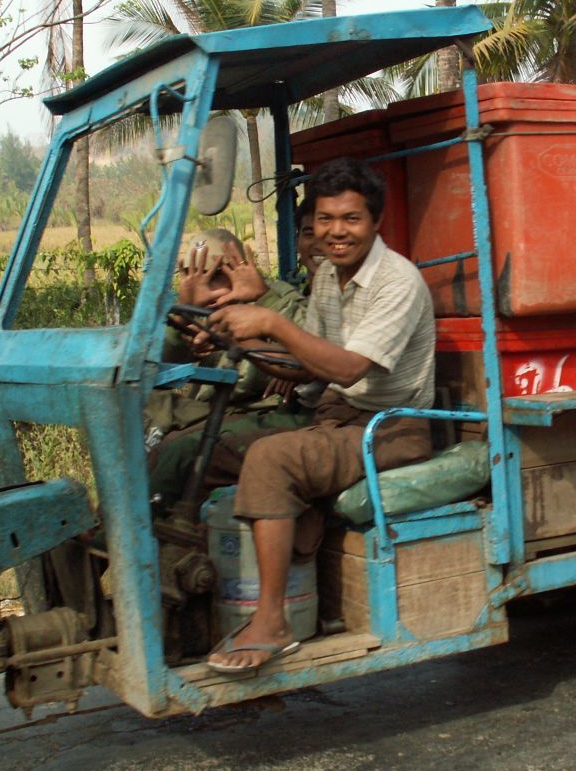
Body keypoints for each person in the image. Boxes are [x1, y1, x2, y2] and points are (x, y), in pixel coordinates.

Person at [205, 157, 435, 674]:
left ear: (375, 223)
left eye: (350, 219)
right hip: (337, 415)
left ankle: (272, 622)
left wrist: (270, 321)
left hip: (390, 427)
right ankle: (206, 587)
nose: (336, 232)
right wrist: (237, 336)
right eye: (326, 219)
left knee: (270, 458)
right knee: (207, 449)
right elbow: (307, 362)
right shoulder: (329, 277)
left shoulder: (398, 281)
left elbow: (350, 368)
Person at [146, 228, 314, 507]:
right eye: (192, 275)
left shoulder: (277, 300)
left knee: (178, 453)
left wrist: (261, 302)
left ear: (239, 268)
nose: (209, 288)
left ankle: (144, 533)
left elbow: (304, 357)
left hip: (259, 411)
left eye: (217, 275)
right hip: (210, 409)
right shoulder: (198, 309)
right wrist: (185, 318)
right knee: (133, 416)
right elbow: (157, 374)